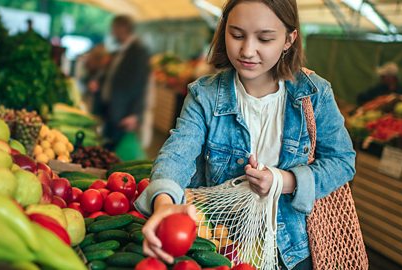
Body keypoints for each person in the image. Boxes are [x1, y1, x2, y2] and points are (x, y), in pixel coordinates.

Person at [134, 1, 356, 269]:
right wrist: (164, 202)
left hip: (294, 252)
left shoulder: (314, 94)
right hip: (221, 244)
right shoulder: (204, 95)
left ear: (289, 39)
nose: (247, 50)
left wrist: (285, 181)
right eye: (237, 35)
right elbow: (177, 153)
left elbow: (342, 161)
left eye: (264, 38)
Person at [100, 15, 150, 151]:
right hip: (112, 110)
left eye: (114, 29)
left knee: (117, 152)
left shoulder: (139, 52)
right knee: (107, 148)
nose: (112, 33)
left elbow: (141, 85)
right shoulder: (120, 50)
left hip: (123, 114)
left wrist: (135, 114)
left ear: (123, 28)